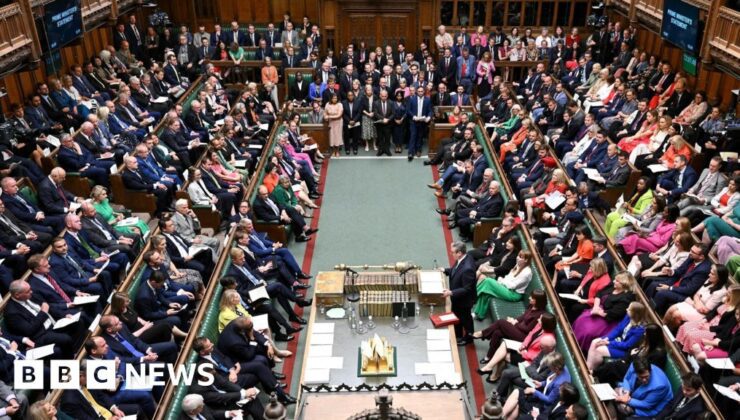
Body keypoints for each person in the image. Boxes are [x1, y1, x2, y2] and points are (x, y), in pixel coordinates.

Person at [478, 313, 557, 383]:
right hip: (525, 348)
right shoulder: (539, 325)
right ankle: (490, 369)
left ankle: (494, 374)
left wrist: (524, 353)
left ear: (545, 323)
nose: (538, 319)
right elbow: (530, 334)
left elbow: (538, 356)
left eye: (540, 319)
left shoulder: (548, 339)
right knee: (504, 344)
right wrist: (523, 345)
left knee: (504, 355)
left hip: (529, 360)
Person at [473, 289, 548, 363]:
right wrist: (515, 320)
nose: (529, 298)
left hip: (523, 337)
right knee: (497, 333)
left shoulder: (539, 314)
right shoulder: (532, 305)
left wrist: (514, 323)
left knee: (501, 322)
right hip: (519, 329)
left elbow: (527, 329)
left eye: (532, 298)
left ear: (538, 301)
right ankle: (489, 356)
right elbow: (524, 315)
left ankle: (482, 334)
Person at [573, 271, 637, 351]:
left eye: (617, 281)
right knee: (581, 320)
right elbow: (599, 294)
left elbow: (615, 314)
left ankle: (580, 349)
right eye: (615, 279)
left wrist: (598, 312)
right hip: (599, 309)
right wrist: (596, 307)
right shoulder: (613, 285)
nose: (614, 281)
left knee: (588, 331)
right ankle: (573, 340)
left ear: (624, 284)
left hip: (609, 319)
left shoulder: (627, 298)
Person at [500, 352, 571, 420]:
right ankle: (500, 416)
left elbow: (549, 400)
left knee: (516, 403)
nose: (549, 368)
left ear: (556, 368)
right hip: (540, 396)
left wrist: (534, 391)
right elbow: (549, 381)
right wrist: (541, 383)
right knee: (516, 393)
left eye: (550, 367)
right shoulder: (561, 366)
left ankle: (499, 416)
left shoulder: (559, 384)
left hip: (542, 406)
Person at [663, 264, 729, 330]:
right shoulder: (709, 280)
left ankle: (669, 333)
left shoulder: (721, 292)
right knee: (671, 309)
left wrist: (696, 302)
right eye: (710, 272)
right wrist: (697, 303)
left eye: (712, 274)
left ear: (719, 277)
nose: (709, 275)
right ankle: (662, 327)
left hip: (702, 315)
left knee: (676, 315)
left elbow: (705, 311)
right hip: (694, 304)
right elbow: (696, 295)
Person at [586, 302, 648, 371]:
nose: (626, 309)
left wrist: (609, 343)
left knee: (599, 350)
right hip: (618, 341)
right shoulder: (628, 316)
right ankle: (587, 368)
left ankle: (591, 371)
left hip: (624, 351)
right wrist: (607, 338)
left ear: (635, 314)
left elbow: (627, 345)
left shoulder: (639, 330)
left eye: (629, 309)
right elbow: (618, 329)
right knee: (594, 342)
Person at [473, 250, 533, 320]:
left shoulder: (527, 273)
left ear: (526, 260)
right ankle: (479, 314)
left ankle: (471, 297)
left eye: (520, 257)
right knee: (487, 291)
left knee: (488, 281)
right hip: (506, 288)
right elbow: (508, 277)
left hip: (513, 294)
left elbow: (513, 286)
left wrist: (501, 281)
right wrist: (503, 281)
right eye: (518, 256)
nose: (517, 258)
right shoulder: (518, 264)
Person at [442, 241, 476, 346]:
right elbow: (455, 270)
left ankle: (469, 338)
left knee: (465, 319)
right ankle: (458, 334)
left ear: (459, 253)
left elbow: (467, 289)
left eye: (453, 252)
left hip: (464, 300)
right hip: (457, 298)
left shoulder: (468, 268)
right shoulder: (462, 259)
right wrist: (445, 270)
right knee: (456, 315)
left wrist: (451, 292)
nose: (451, 254)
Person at [558, 257, 612, 322]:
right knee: (569, 300)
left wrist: (585, 301)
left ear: (598, 269)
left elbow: (598, 298)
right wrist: (578, 289)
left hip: (590, 301)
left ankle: (568, 323)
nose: (589, 269)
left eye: (592, 268)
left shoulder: (605, 282)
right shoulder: (592, 271)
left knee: (575, 308)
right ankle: (563, 316)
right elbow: (586, 278)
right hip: (582, 294)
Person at [406, 86, 432, 161]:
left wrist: (429, 117)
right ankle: (411, 153)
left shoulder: (428, 100)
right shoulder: (412, 99)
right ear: (416, 92)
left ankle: (418, 150)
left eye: (422, 91)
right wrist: (413, 116)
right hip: (414, 121)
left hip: (422, 121)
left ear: (424, 92)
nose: (420, 92)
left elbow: (430, 110)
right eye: (419, 91)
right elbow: (408, 110)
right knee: (413, 136)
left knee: (420, 136)